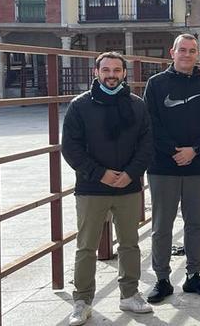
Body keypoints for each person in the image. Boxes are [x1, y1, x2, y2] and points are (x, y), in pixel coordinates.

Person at [62, 52, 153, 325]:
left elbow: (147, 144)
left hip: (128, 185)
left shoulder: (137, 105)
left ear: (124, 73)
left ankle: (129, 295)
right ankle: (82, 301)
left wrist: (131, 174)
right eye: (106, 70)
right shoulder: (79, 106)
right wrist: (99, 174)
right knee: (86, 246)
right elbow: (71, 148)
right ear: (96, 72)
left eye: (116, 70)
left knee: (130, 243)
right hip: (92, 187)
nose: (111, 75)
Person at [143, 34, 200, 303]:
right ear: (172, 52)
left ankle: (193, 275)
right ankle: (162, 279)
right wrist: (174, 151)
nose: (187, 55)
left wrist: (194, 150)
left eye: (192, 50)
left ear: (197, 54)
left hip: (197, 165)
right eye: (182, 50)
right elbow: (150, 123)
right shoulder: (155, 84)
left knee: (195, 222)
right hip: (163, 165)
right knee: (162, 225)